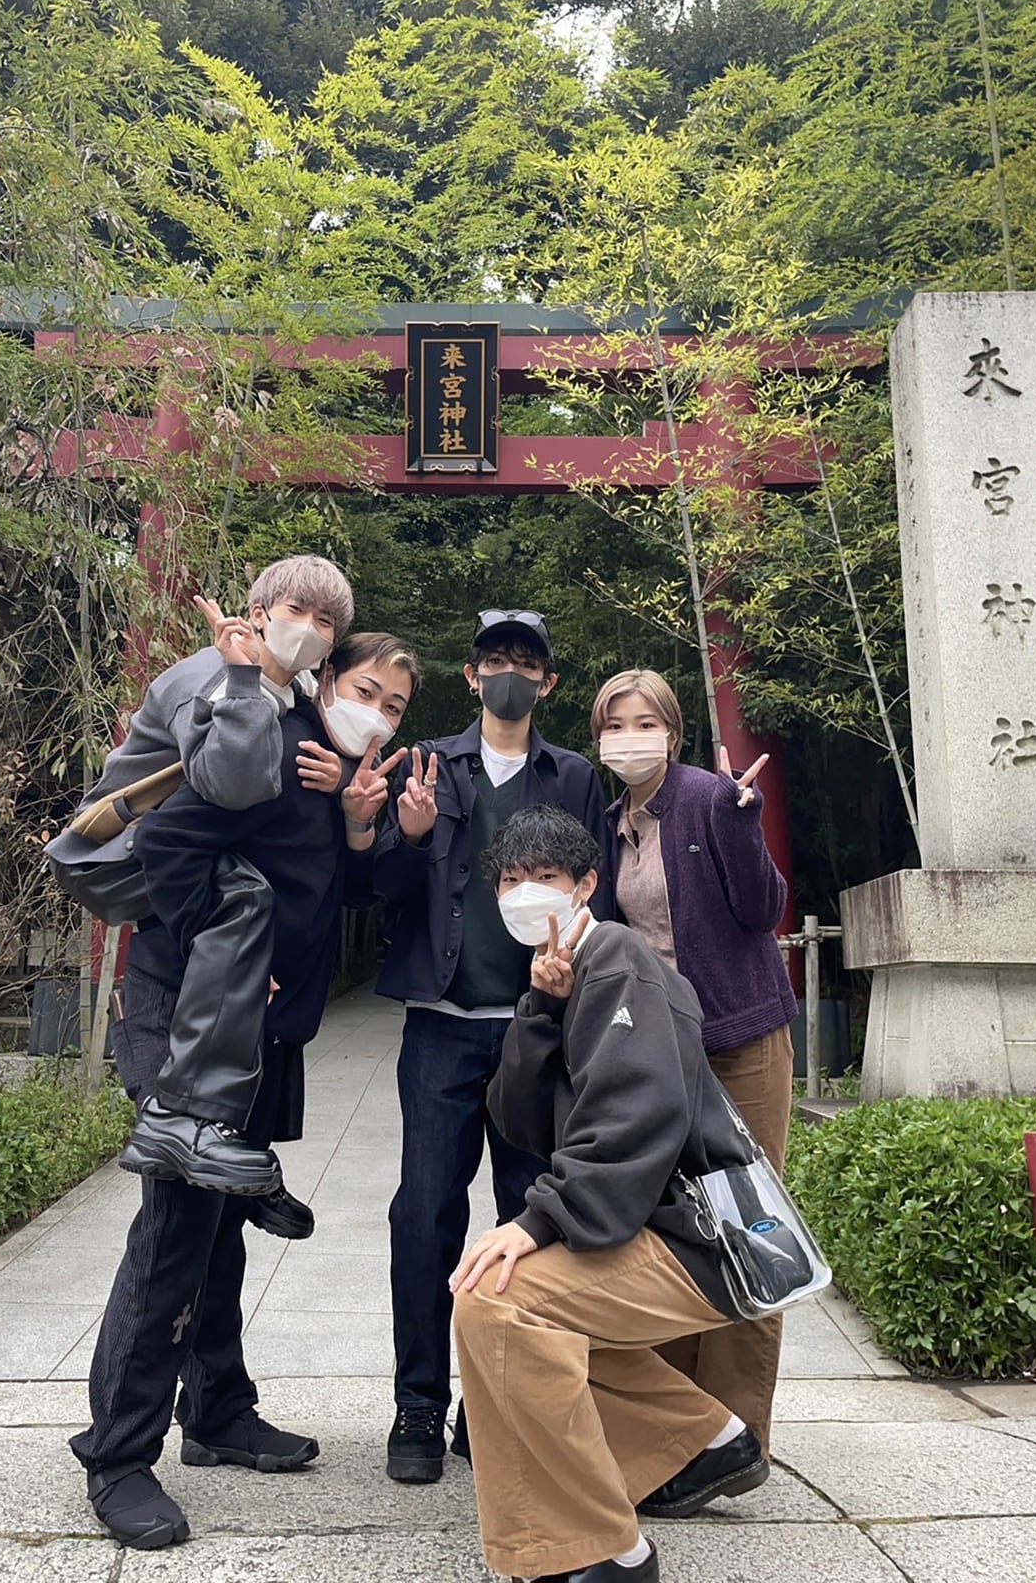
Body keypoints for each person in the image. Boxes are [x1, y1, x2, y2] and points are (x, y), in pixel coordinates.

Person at [70, 632, 420, 1550]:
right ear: (324, 679)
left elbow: (344, 894)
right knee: (177, 1229)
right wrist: (213, 958)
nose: (376, 714)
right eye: (365, 690)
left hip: (258, 1035)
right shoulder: (270, 736)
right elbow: (170, 841)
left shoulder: (333, 772)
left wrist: (355, 818)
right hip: (190, 1018)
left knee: (220, 1221)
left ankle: (218, 1409)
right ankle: (117, 1456)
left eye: (394, 707)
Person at [451, 803, 768, 1583]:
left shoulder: (620, 958)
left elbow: (638, 1119)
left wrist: (538, 1222)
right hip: (650, 1226)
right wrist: (540, 1010)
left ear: (587, 884)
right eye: (512, 880)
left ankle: (601, 1550)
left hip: (695, 1239)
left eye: (546, 877)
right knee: (518, 1310)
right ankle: (699, 1442)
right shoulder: (569, 973)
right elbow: (519, 1121)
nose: (527, 893)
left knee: (498, 1303)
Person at [373, 609, 607, 1483]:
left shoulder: (573, 776)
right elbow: (376, 884)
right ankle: (418, 1403)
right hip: (442, 1023)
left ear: (548, 682)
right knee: (423, 1213)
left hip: (537, 1026)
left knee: (527, 1212)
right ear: (471, 676)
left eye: (527, 663)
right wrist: (410, 832)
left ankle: (495, 1402)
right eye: (495, 661)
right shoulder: (428, 764)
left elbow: (601, 890)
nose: (511, 675)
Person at [47, 554, 355, 1196]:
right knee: (246, 898)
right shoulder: (209, 678)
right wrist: (241, 678)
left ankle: (234, 1160)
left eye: (325, 621)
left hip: (194, 870)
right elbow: (231, 787)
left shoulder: (296, 694)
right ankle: (174, 1123)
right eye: (296, 610)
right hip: (140, 858)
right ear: (258, 614)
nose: (309, 627)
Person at [591, 668, 796, 1465]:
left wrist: (744, 822)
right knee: (671, 1230)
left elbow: (762, 910)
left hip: (740, 1041)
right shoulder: (610, 822)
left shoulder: (713, 798)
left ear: (673, 734)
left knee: (749, 1223)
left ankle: (741, 1436)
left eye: (645, 723)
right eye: (614, 724)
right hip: (660, 1051)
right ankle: (681, 1436)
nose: (629, 738)